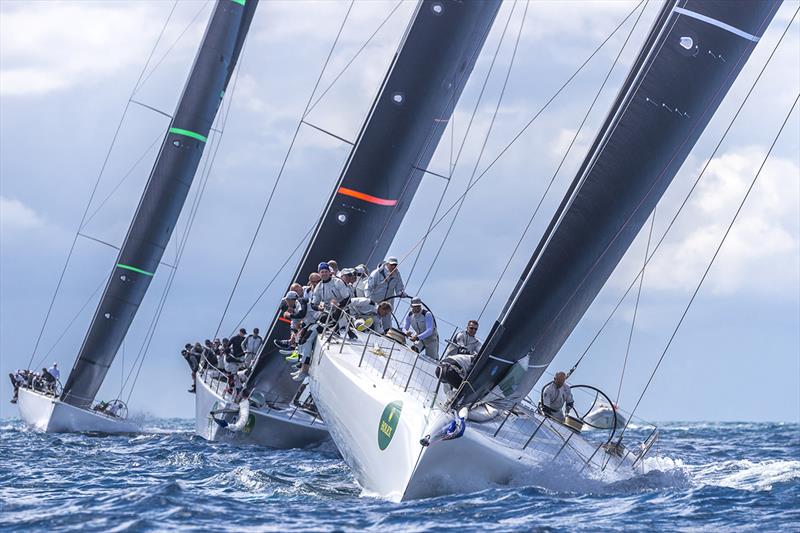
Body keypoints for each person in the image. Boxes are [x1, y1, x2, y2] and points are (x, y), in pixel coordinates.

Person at [366, 257, 406, 332]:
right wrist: (368, 300)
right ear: (387, 264)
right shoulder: (377, 273)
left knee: (387, 321)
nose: (394, 266)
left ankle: (385, 333)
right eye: (392, 264)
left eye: (395, 265)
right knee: (372, 318)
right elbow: (368, 287)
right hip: (375, 302)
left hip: (388, 303)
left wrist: (401, 293)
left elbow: (399, 287)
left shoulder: (397, 275)